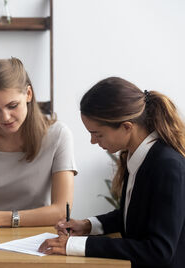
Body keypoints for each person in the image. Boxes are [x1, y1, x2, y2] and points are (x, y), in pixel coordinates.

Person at [38, 77, 185, 268]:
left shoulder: (167, 166)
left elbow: (158, 251)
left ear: (126, 127)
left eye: (97, 134)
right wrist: (89, 225)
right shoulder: (137, 156)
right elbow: (133, 216)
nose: (92, 141)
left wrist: (76, 245)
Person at [0, 57, 77, 230]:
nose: (5, 117)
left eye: (12, 106)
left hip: (38, 235)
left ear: (28, 94)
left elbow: (61, 211)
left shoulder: (58, 135)